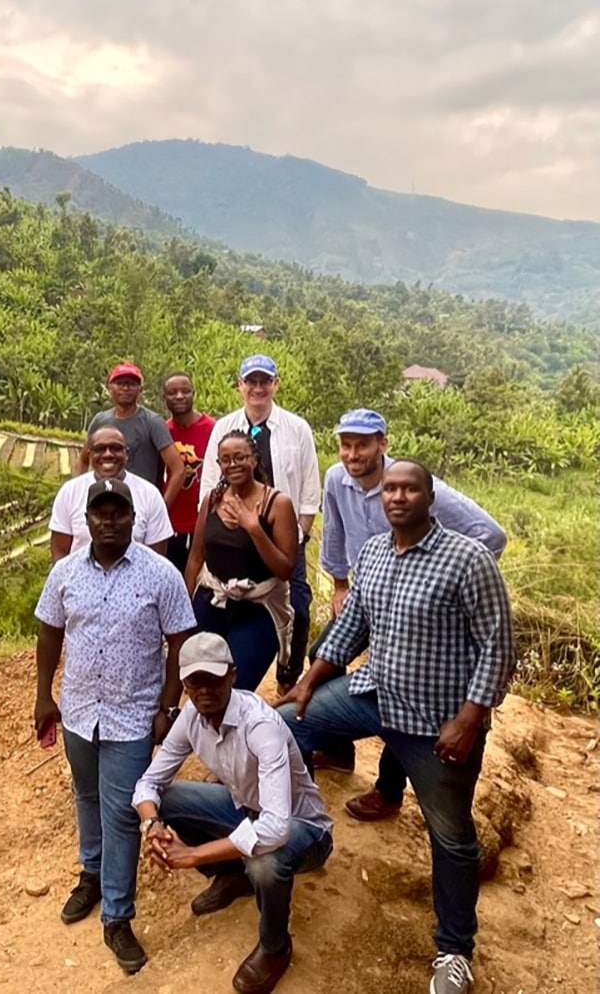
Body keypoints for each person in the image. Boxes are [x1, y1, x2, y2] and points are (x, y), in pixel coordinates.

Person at [278, 459, 516, 994]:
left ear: (431, 498)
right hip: (375, 695)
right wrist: (309, 682)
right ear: (381, 498)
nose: (398, 497)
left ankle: (454, 950)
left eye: (410, 489)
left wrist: (470, 719)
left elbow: (498, 649)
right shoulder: (375, 553)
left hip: (439, 720)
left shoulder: (468, 559)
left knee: (451, 838)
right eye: (391, 490)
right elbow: (350, 628)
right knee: (283, 725)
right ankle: (303, 832)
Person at [33, 478, 196, 974]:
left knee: (124, 811)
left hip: (132, 715)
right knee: (85, 797)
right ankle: (91, 874)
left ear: (132, 519)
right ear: (86, 520)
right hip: (80, 710)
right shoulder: (65, 574)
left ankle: (118, 916)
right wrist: (45, 696)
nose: (108, 520)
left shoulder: (160, 574)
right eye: (99, 513)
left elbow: (181, 642)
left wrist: (168, 707)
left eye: (118, 513)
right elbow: (49, 631)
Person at [316, 409, 509, 821]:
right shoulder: (336, 478)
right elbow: (333, 529)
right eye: (346, 445)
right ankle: (336, 750)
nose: (353, 454)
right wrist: (340, 585)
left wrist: (443, 576)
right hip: (367, 595)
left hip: (418, 606)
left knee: (407, 686)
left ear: (382, 444)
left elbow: (491, 534)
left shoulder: (415, 484)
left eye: (363, 445)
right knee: (324, 656)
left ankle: (389, 790)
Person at [134, 633, 333, 994]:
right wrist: (153, 825)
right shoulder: (192, 716)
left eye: (213, 678)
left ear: (233, 676)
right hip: (244, 812)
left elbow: (274, 830)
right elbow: (148, 784)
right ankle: (232, 873)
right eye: (195, 680)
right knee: (168, 799)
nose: (204, 689)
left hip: (303, 828)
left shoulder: (261, 726)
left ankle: (275, 947)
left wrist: (192, 855)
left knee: (264, 861)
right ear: (184, 684)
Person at [199, 356, 319, 692]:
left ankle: (286, 678)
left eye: (264, 381)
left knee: (298, 612)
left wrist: (296, 537)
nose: (257, 388)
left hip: (282, 540)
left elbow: (309, 493)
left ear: (275, 384)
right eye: (250, 382)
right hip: (231, 538)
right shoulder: (223, 429)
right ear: (240, 386)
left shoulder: (297, 429)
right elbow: (209, 485)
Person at [184, 430, 298, 692]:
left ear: (255, 459)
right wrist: (182, 609)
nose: (233, 464)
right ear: (219, 465)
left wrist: (254, 529)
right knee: (203, 686)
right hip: (212, 601)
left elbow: (285, 569)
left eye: (240, 457)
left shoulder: (277, 503)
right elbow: (196, 557)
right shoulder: (211, 500)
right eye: (225, 460)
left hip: (257, 608)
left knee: (236, 689)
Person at [49, 425, 173, 561]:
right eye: (100, 449)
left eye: (115, 448)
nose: (108, 454)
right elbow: (60, 555)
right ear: (89, 454)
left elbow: (158, 558)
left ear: (127, 454)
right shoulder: (69, 493)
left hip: (136, 581)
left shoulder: (150, 495)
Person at [80, 362, 185, 509]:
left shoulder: (152, 422)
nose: (125, 388)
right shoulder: (100, 421)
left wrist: (161, 508)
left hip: (141, 504)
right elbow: (83, 460)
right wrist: (78, 495)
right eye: (120, 383)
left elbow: (178, 469)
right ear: (109, 387)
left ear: (140, 389)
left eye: (131, 383)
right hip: (102, 503)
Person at [162, 371, 216, 574]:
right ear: (164, 398)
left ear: (193, 393)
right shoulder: (162, 431)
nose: (179, 396)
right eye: (172, 392)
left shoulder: (212, 428)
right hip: (171, 521)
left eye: (185, 391)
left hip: (203, 520)